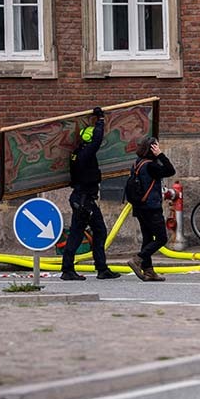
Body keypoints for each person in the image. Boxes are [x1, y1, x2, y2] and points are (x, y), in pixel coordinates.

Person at [60, 107, 122, 281]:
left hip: (81, 198)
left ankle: (82, 268)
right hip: (84, 200)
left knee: (81, 233)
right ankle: (88, 269)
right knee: (95, 232)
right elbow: (97, 140)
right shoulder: (86, 154)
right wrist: (101, 120)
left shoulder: (77, 153)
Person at [127, 137, 176, 281]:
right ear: (152, 148)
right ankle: (138, 259)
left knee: (148, 238)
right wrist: (160, 154)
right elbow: (170, 170)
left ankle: (148, 271)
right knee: (161, 238)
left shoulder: (137, 163)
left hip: (139, 207)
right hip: (151, 207)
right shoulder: (151, 166)